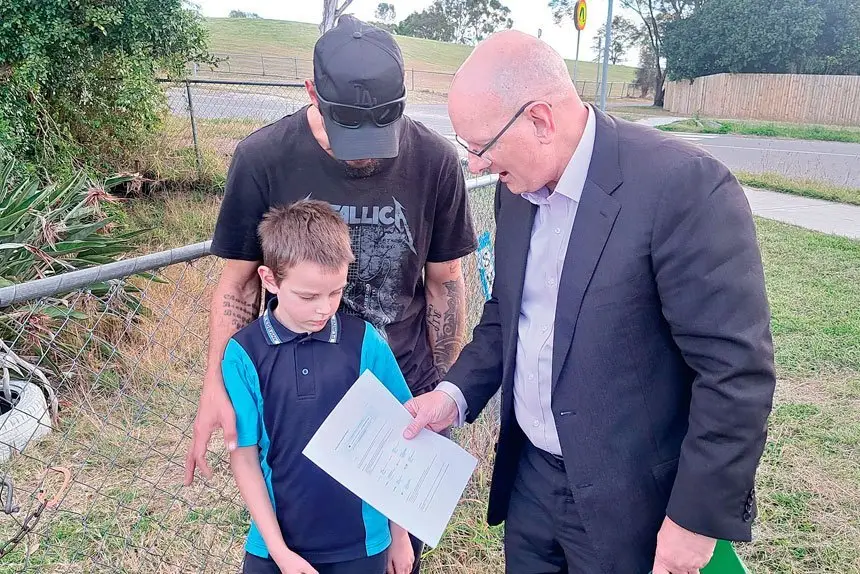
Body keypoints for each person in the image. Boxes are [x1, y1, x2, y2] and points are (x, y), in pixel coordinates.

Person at [403, 31, 776, 574]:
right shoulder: (518, 187)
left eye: (481, 146)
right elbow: (508, 314)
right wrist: (452, 396)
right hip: (531, 484)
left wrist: (695, 520)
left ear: (540, 120)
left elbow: (734, 372)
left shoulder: (682, 187)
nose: (476, 165)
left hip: (632, 504)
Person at [184, 16, 477, 573]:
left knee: (391, 554)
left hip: (397, 394)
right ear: (312, 93)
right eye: (349, 132)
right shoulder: (263, 158)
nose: (364, 154)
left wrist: (441, 389)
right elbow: (238, 284)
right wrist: (214, 387)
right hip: (297, 399)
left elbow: (445, 283)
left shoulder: (435, 160)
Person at [223, 200, 415, 574]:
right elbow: (244, 457)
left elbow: (397, 437)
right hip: (277, 548)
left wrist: (399, 533)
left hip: (363, 544)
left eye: (335, 292)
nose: (324, 308)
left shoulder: (365, 343)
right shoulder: (244, 353)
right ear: (270, 279)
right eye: (308, 296)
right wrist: (280, 553)